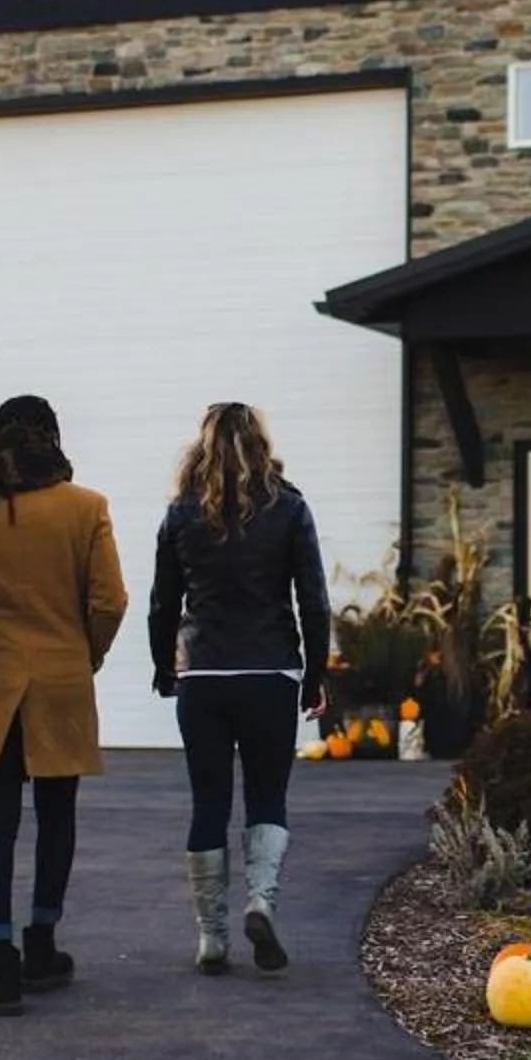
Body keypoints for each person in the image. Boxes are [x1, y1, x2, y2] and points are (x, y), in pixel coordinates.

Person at [0, 395, 126, 1014]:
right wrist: (84, 657)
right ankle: (42, 941)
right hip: (62, 680)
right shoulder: (86, 507)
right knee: (56, 816)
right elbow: (110, 602)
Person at [147, 403, 330, 975]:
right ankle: (261, 901)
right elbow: (314, 600)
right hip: (271, 671)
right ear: (260, 443)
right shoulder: (290, 507)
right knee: (267, 796)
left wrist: (163, 665)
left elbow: (163, 603)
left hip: (202, 673)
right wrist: (315, 674)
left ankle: (211, 937)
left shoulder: (180, 513)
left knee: (208, 802)